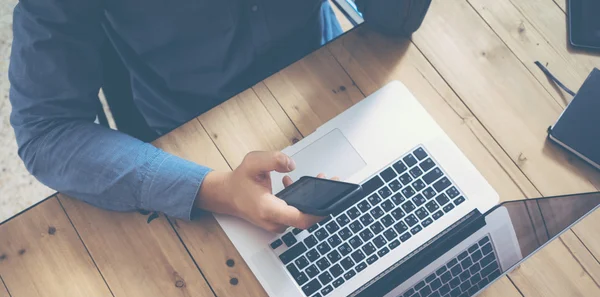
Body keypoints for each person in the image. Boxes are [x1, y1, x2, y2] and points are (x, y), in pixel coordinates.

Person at [9, 0, 427, 232]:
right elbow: (45, 132)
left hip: (334, 74)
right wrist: (217, 190)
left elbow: (393, 19)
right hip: (200, 145)